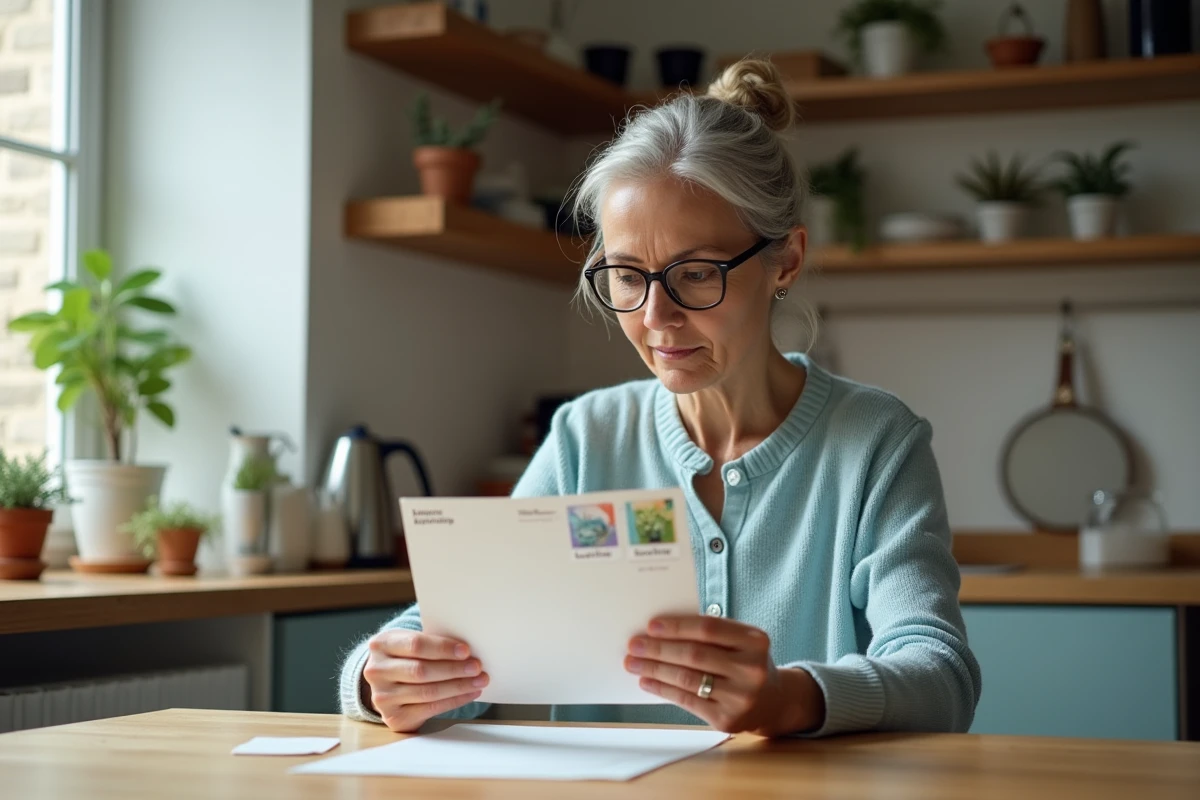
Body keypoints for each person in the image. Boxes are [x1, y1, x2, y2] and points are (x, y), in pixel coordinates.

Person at [340, 59, 982, 737]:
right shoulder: (587, 438)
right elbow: (450, 637)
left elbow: (941, 676)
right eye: (625, 276)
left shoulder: (876, 442)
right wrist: (378, 680)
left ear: (785, 261)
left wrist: (791, 699)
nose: (655, 316)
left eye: (696, 274)